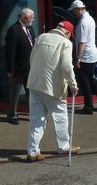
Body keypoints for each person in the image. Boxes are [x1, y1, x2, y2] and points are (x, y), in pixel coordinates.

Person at [25, 21, 81, 162]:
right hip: (52, 87)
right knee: (60, 117)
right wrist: (72, 83)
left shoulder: (41, 37)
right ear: (67, 33)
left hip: (35, 84)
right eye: (70, 35)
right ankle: (64, 146)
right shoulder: (65, 43)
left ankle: (32, 151)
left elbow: (32, 59)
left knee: (37, 120)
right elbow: (67, 66)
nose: (70, 38)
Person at [68, 0, 97, 114]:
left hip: (85, 55)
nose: (73, 13)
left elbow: (82, 42)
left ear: (79, 9)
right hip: (92, 54)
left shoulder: (83, 22)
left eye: (74, 10)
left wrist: (78, 58)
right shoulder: (90, 18)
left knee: (84, 81)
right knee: (91, 79)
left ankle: (88, 107)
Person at [5, 7, 35, 125]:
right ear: (25, 18)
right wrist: (10, 69)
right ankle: (12, 115)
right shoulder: (14, 30)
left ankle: (34, 114)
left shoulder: (30, 28)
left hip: (30, 68)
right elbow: (10, 52)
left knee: (31, 94)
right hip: (17, 69)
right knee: (14, 93)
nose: (33, 20)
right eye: (32, 18)